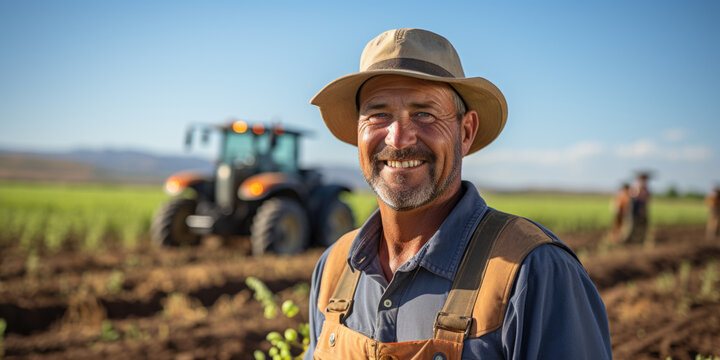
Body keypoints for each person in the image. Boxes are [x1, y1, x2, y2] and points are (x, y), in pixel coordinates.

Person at [304, 28, 612, 359]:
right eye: (379, 114)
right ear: (359, 132)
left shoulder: (533, 270)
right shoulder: (335, 267)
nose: (398, 138)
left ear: (465, 132)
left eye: (424, 113)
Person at [623, 172, 651, 244]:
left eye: (645, 179)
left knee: (643, 227)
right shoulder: (636, 188)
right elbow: (632, 200)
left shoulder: (645, 189)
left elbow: (646, 201)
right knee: (631, 227)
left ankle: (640, 240)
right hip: (634, 211)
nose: (644, 181)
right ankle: (627, 241)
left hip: (642, 211)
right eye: (643, 179)